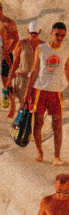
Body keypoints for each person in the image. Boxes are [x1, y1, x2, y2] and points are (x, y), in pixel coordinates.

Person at [25, 21, 69, 165]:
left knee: (57, 124)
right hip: (40, 90)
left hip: (56, 92)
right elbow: (34, 71)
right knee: (38, 122)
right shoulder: (41, 48)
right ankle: (39, 152)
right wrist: (27, 92)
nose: (59, 38)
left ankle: (57, 157)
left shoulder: (65, 51)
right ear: (51, 33)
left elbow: (67, 70)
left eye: (62, 35)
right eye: (57, 34)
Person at [0, 1, 20, 114]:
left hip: (6, 54)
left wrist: (8, 51)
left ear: (0, 9)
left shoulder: (8, 23)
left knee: (7, 82)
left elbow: (16, 39)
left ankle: (12, 107)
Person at [13, 22, 41, 118]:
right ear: (28, 31)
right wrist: (10, 79)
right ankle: (21, 127)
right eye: (31, 32)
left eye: (35, 33)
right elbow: (15, 61)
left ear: (39, 32)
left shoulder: (43, 45)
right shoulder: (21, 43)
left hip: (36, 79)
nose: (33, 35)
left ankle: (30, 128)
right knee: (23, 104)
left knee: (34, 105)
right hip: (22, 78)